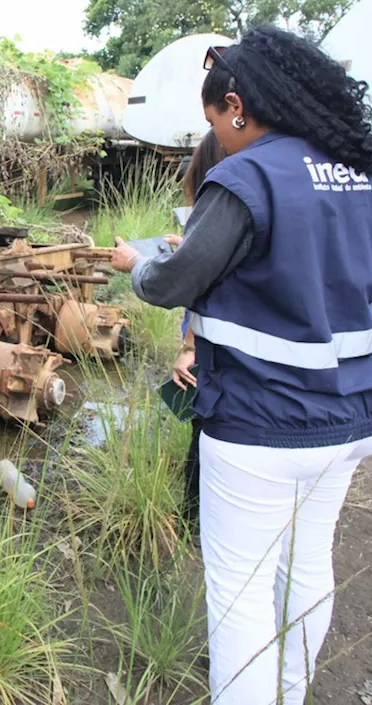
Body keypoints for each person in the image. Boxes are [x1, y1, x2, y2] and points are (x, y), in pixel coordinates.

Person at [110, 25, 372, 705]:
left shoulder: (247, 174)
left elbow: (170, 282)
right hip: (352, 412)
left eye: (217, 120)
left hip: (264, 423)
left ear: (237, 106)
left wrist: (139, 263)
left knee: (240, 591)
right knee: (306, 567)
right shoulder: (366, 174)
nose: (219, 137)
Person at [168, 129, 228, 537]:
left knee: (204, 431)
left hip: (223, 369)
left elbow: (200, 285)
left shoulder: (227, 202)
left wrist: (189, 346)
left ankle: (195, 524)